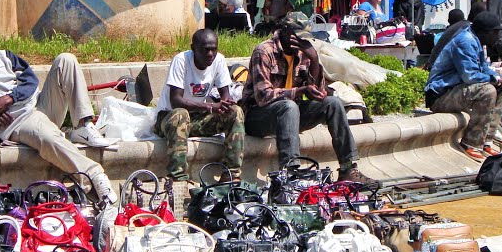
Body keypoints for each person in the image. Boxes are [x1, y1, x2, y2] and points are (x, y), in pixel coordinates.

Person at [0, 24, 116, 202]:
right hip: (18, 121)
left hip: (39, 103)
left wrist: (8, 99)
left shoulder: (3, 56)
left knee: (66, 59)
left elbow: (30, 81)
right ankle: (93, 175)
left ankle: (83, 125)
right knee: (49, 138)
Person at [244, 22, 373, 182]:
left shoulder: (303, 51)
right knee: (288, 106)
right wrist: (299, 91)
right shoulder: (264, 51)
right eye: (297, 37)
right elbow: (263, 96)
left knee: (333, 103)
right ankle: (290, 173)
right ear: (285, 32)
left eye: (304, 38)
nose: (301, 42)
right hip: (257, 117)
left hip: (291, 114)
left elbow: (319, 92)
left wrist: (314, 60)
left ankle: (347, 168)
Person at [425, 12, 502, 161]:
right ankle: (471, 143)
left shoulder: (475, 40)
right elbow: (470, 76)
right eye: (495, 33)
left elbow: (484, 69)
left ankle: (487, 141)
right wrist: (501, 79)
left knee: (500, 88)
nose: (498, 37)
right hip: (440, 96)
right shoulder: (465, 41)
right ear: (485, 32)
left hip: (455, 91)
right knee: (487, 91)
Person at [154, 29, 244, 182]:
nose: (210, 54)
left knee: (236, 112)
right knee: (180, 114)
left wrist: (226, 104)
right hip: (169, 119)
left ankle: (231, 174)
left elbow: (225, 95)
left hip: (197, 120)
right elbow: (176, 100)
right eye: (205, 49)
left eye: (214, 49)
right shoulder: (181, 60)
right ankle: (178, 177)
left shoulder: (219, 60)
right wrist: (210, 107)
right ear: (193, 48)